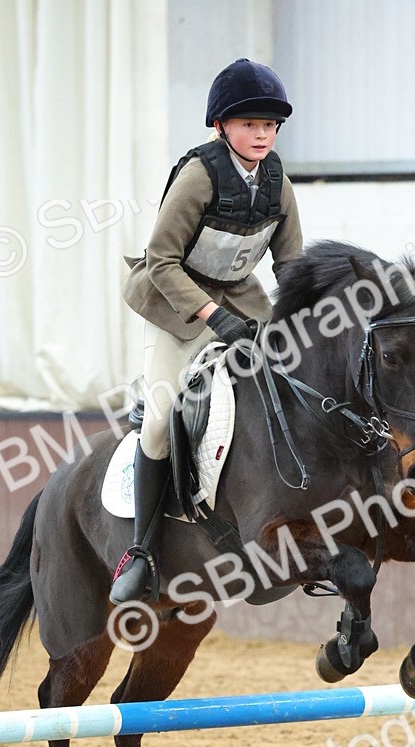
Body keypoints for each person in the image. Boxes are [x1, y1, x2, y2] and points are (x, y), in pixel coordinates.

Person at [111, 58, 304, 604]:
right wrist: (213, 319)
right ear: (221, 126)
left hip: (244, 303)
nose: (261, 134)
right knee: (159, 423)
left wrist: (300, 321)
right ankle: (142, 550)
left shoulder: (278, 181)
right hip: (177, 305)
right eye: (249, 124)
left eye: (269, 125)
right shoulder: (200, 173)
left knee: (290, 394)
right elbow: (161, 261)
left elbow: (290, 268)